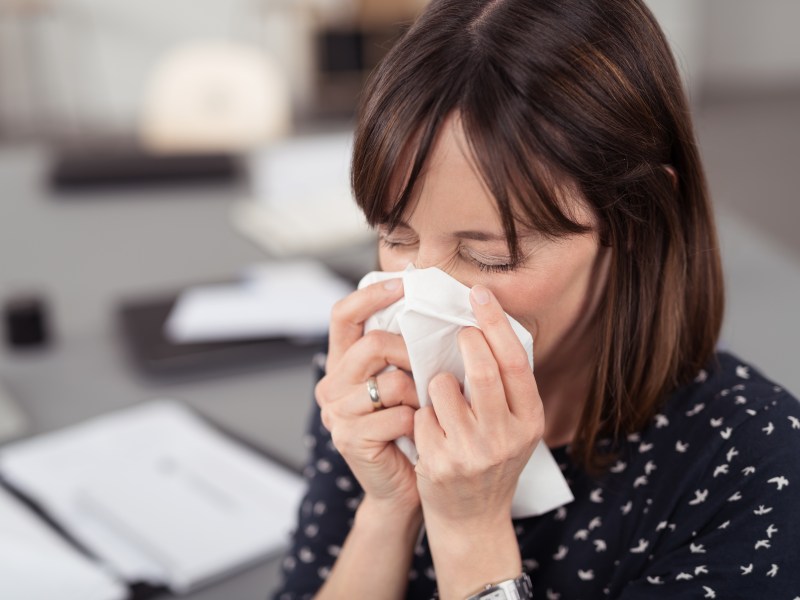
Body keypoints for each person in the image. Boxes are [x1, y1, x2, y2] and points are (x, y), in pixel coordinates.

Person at [274, 0, 800, 598]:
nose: (422, 291)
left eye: (491, 256)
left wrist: (469, 530)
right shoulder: (374, 376)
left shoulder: (753, 464)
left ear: (638, 220)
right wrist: (389, 507)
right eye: (397, 237)